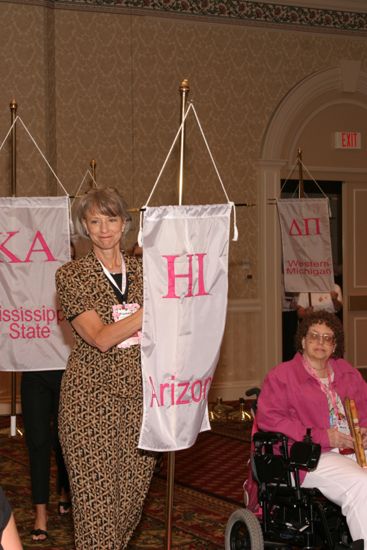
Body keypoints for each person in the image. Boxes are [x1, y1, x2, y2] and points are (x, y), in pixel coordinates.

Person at [55, 187, 156, 550]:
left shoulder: (148, 273)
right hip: (88, 404)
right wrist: (152, 311)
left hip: (141, 405)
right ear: (84, 226)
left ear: (125, 223)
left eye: (111, 219)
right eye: (94, 220)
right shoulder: (72, 275)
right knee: (96, 513)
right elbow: (100, 337)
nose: (103, 229)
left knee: (126, 512)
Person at [257, 310, 367, 544]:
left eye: (327, 338)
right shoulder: (283, 376)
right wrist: (322, 436)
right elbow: (269, 418)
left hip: (352, 449)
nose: (320, 342)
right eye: (314, 335)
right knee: (361, 482)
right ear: (303, 340)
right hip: (308, 456)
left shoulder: (348, 373)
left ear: (335, 345)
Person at [21, 370, 70, 542]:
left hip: (68, 368)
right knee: (37, 441)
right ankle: (40, 514)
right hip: (33, 368)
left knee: (64, 439)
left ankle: (65, 491)